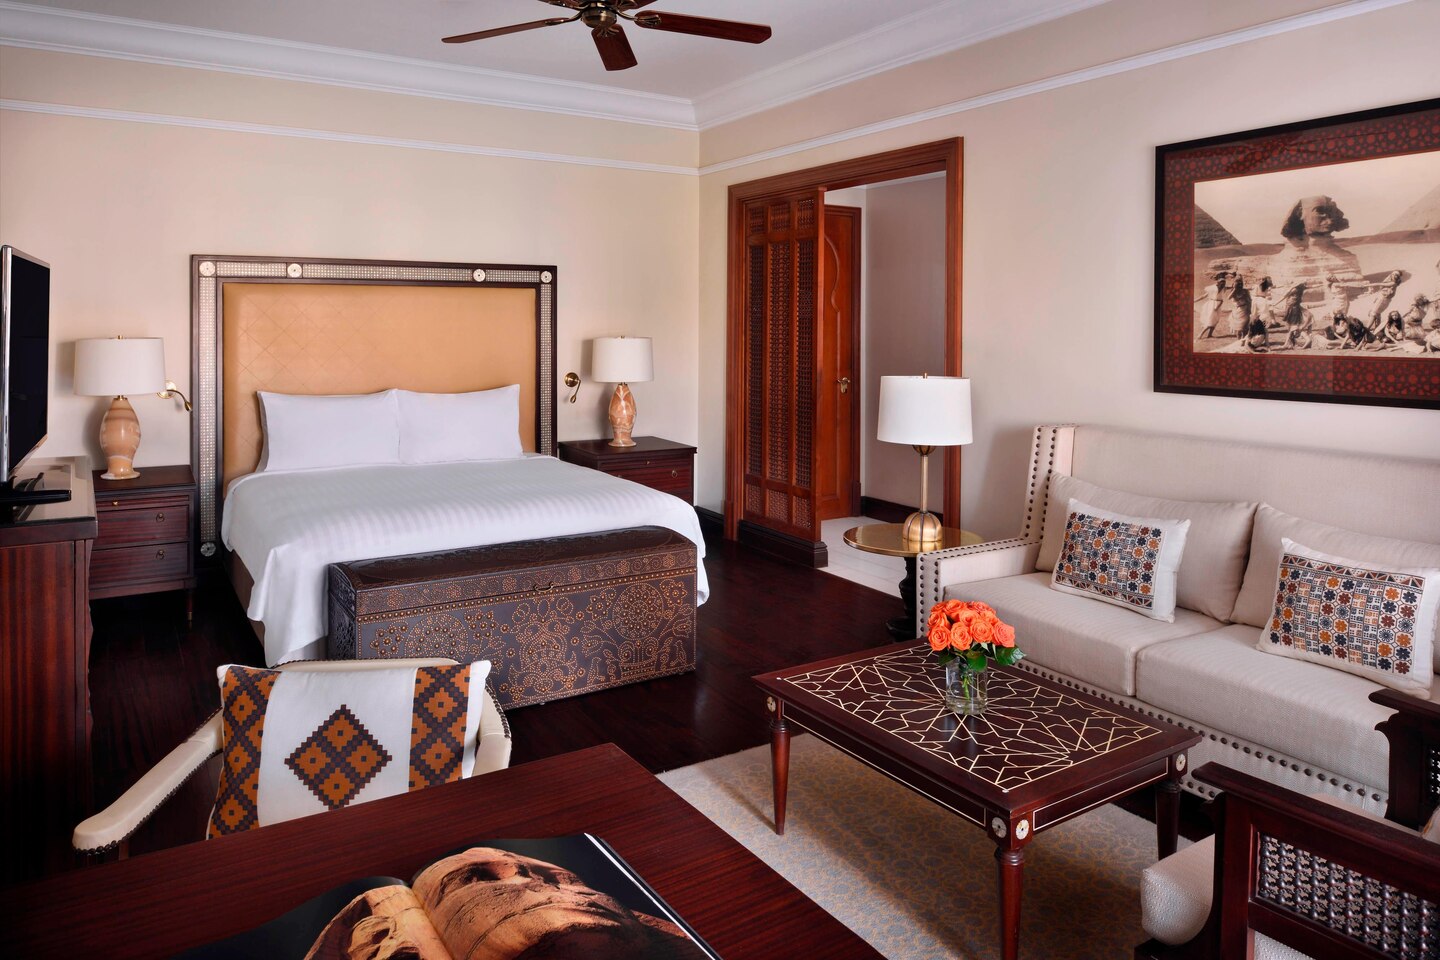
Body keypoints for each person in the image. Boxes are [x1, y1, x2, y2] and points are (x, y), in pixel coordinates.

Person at [1196, 272, 1228, 339]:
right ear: (1218, 282)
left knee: (1216, 320)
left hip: (1218, 305)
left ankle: (1210, 335)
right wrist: (1195, 300)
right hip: (1211, 305)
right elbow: (1203, 296)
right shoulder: (1212, 288)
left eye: (1224, 282)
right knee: (1210, 320)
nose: (1223, 283)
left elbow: (1234, 287)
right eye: (1221, 282)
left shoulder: (1224, 288)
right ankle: (1200, 334)